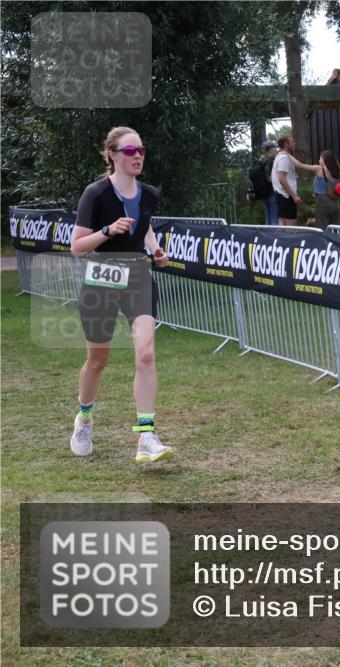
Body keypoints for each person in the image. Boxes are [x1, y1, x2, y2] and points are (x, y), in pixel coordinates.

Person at [69, 126, 175, 463]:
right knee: (98, 360)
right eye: (130, 151)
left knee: (145, 354)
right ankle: (84, 419)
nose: (138, 156)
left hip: (138, 277)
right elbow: (76, 247)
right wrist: (106, 230)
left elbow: (144, 225)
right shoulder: (96, 194)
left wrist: (156, 249)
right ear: (113, 155)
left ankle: (146, 435)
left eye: (141, 150)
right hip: (101, 279)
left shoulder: (149, 193)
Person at [291, 150, 340, 228]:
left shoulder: (319, 169)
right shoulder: (336, 171)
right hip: (335, 201)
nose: (319, 160)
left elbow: (299, 165)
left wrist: (287, 155)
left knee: (322, 227)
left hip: (323, 201)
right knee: (335, 228)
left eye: (320, 158)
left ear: (324, 160)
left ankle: (322, 238)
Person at [272, 135, 303, 226]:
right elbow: (282, 179)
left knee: (282, 225)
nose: (294, 144)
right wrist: (294, 196)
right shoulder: (284, 158)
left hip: (281, 194)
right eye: (292, 142)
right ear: (286, 144)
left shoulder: (280, 155)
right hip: (286, 196)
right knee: (291, 228)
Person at [261, 140, 279, 225]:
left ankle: (266, 236)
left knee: (268, 216)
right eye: (275, 147)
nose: (276, 149)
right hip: (272, 190)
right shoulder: (273, 160)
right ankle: (273, 237)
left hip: (264, 191)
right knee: (274, 217)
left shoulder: (263, 160)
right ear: (271, 149)